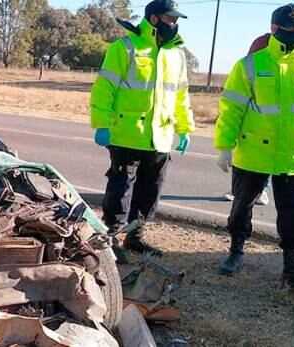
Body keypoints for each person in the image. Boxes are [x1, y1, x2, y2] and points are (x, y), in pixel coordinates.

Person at [213, 4, 294, 286]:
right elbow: (232, 108)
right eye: (291, 27)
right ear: (274, 28)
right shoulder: (250, 65)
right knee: (242, 206)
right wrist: (224, 145)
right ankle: (235, 252)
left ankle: (293, 265)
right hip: (253, 153)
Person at [90, 0, 195, 256]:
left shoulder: (176, 54)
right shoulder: (125, 47)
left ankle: (135, 236)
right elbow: (105, 89)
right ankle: (111, 239)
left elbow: (180, 96)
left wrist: (184, 128)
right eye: (171, 19)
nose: (175, 24)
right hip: (127, 135)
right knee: (121, 191)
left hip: (160, 137)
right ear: (154, 19)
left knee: (150, 191)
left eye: (176, 19)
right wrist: (101, 124)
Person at [221, 35, 294, 205]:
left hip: (293, 132)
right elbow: (235, 102)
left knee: (280, 165)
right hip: (258, 128)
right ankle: (248, 191)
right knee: (254, 165)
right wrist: (225, 145)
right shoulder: (261, 43)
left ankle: (263, 190)